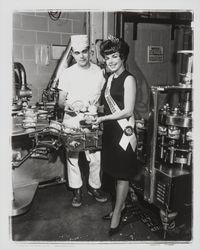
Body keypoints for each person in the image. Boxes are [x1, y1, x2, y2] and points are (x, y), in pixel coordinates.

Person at [94, 36, 138, 236]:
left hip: (124, 133)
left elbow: (127, 110)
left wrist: (103, 118)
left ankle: (118, 214)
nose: (110, 61)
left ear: (123, 57)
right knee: (111, 172)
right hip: (111, 132)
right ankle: (118, 206)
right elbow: (107, 104)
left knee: (122, 174)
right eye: (107, 57)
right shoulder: (110, 78)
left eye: (114, 56)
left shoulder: (129, 79)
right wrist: (94, 109)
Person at [58, 34, 107, 207]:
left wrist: (97, 110)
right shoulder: (67, 73)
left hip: (92, 120)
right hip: (72, 120)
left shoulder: (99, 72)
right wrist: (70, 107)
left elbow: (102, 100)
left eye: (84, 52)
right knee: (73, 156)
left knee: (95, 157)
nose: (81, 56)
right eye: (77, 53)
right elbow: (60, 101)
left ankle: (94, 187)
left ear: (90, 51)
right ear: (72, 53)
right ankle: (77, 190)